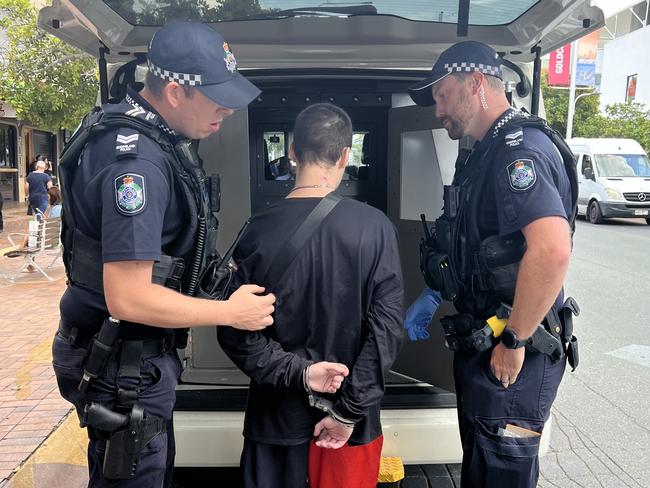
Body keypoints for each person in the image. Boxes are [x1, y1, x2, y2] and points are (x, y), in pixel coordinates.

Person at [52, 21, 277, 488]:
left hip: (126, 356)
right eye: (218, 97)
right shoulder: (136, 166)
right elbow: (128, 298)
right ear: (175, 92)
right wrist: (229, 312)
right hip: (123, 363)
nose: (229, 110)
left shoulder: (147, 139)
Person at [409, 41, 579, 488]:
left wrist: (516, 340)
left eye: (443, 95)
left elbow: (551, 250)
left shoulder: (518, 152)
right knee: (483, 470)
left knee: (500, 473)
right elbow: (471, 243)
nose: (438, 109)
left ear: (476, 84)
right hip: (485, 342)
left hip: (512, 351)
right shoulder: (482, 151)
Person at [218, 103, 404, 488]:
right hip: (349, 429)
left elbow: (234, 333)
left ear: (291, 151)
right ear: (345, 155)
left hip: (274, 423)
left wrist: (300, 372)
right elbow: (385, 331)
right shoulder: (375, 228)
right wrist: (348, 412)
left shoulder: (256, 230)